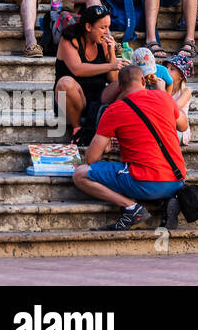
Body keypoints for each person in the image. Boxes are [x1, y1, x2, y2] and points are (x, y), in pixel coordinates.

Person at [72, 65, 189, 231]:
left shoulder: (114, 110)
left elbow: (91, 159)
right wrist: (162, 93)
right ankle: (169, 199)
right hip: (177, 179)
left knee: (80, 174)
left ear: (119, 86)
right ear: (143, 80)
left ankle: (131, 208)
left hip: (145, 181)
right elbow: (183, 126)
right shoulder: (164, 98)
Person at [55, 3, 125, 140]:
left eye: (108, 27)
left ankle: (112, 127)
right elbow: (77, 69)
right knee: (65, 83)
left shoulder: (103, 42)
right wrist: (111, 66)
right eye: (103, 28)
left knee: (125, 84)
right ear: (88, 27)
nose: (107, 32)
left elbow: (113, 80)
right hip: (72, 100)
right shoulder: (69, 40)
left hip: (96, 99)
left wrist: (111, 54)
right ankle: (77, 128)